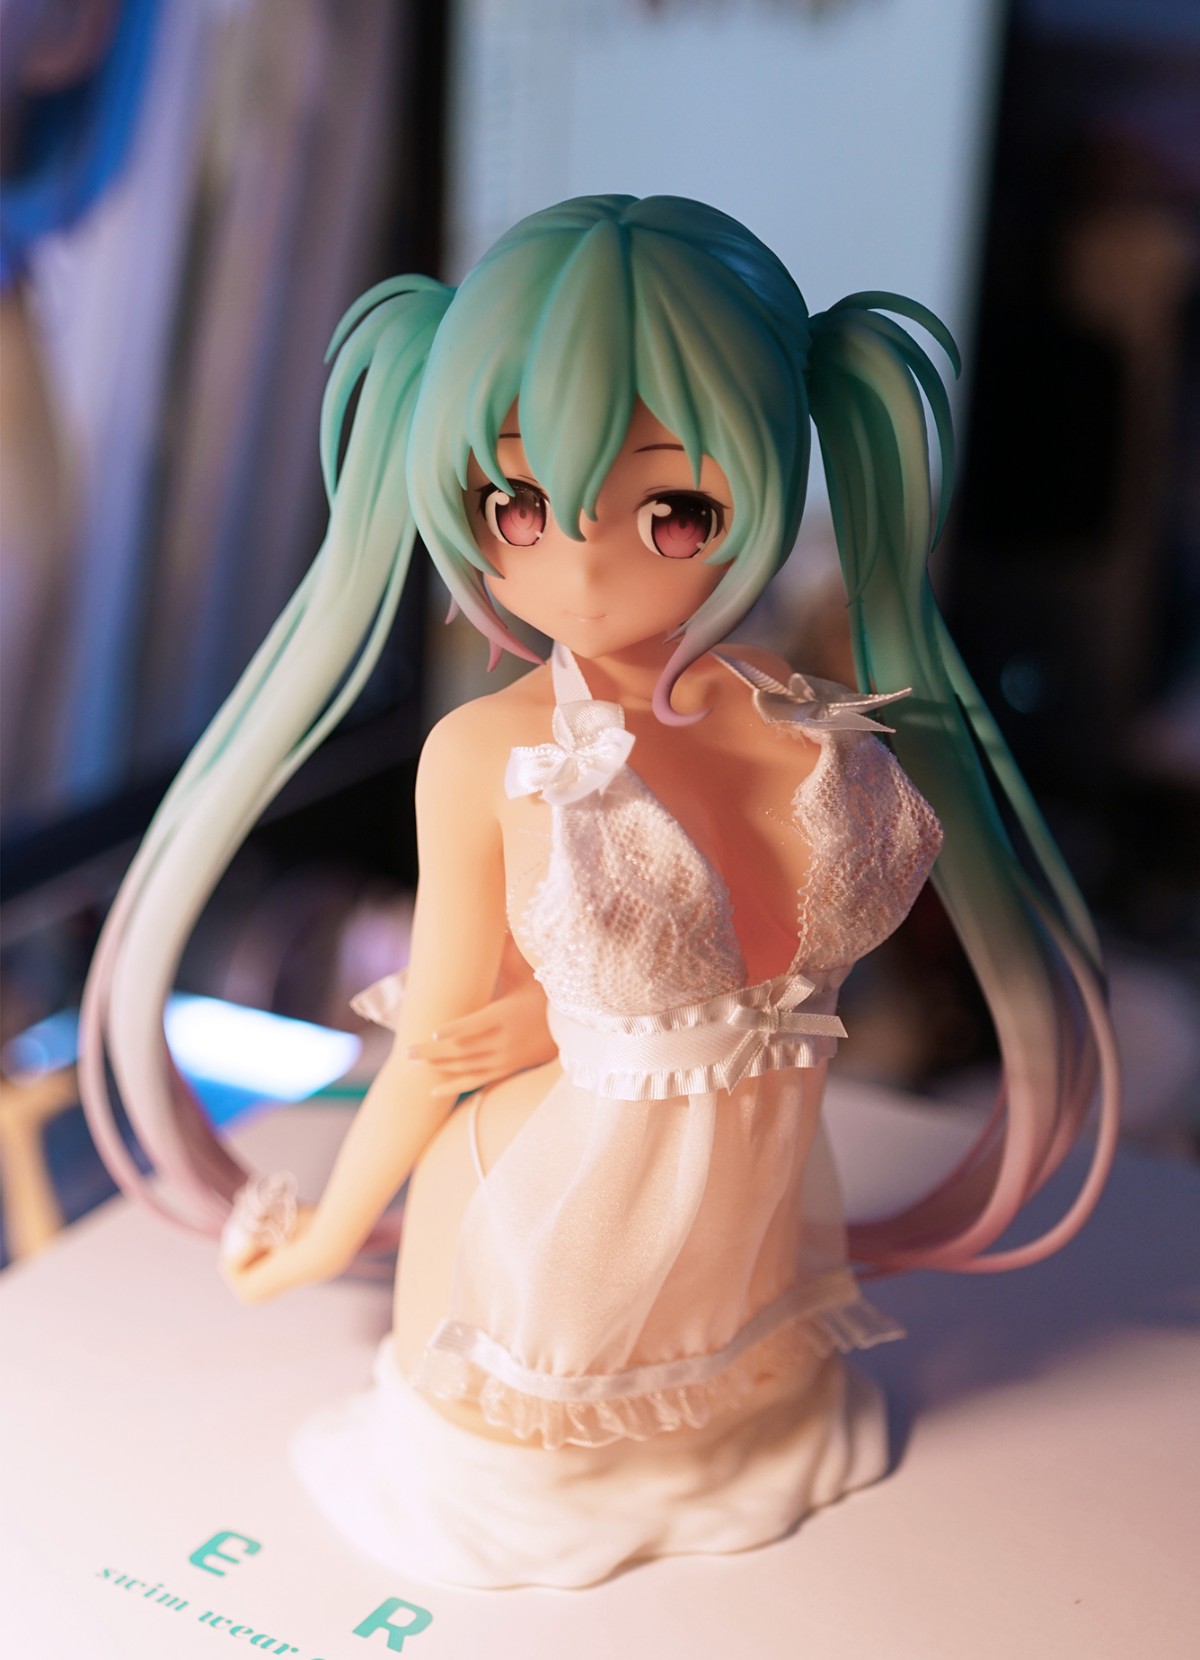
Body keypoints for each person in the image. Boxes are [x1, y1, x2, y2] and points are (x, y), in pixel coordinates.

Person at [80, 195, 1118, 1588]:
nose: (580, 569)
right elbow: (433, 1051)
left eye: (675, 511)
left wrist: (570, 1019)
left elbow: (720, 979)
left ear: (768, 477)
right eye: (515, 507)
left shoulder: (809, 709)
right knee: (523, 1486)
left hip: (747, 1233)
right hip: (543, 1234)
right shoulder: (489, 753)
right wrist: (325, 1231)